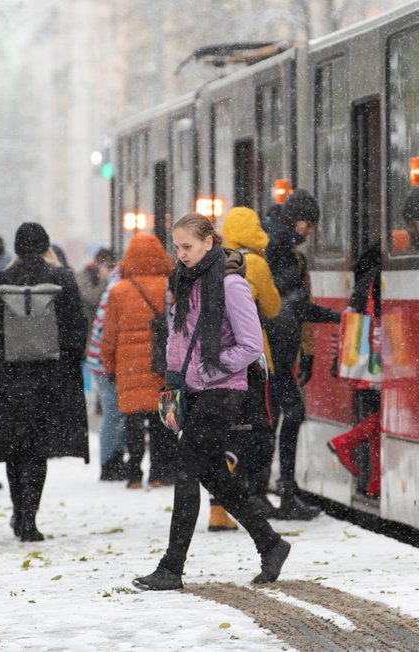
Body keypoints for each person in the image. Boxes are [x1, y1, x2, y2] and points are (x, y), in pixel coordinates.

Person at [133, 214, 291, 591]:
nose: (180, 254)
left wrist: (212, 368)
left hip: (224, 391)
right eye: (176, 247)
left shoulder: (231, 284)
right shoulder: (186, 281)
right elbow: (179, 336)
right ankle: (270, 543)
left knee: (186, 469)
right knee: (213, 475)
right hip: (193, 391)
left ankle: (172, 567)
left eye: (187, 246)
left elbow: (251, 345)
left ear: (209, 242)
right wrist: (175, 381)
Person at [0, 222, 89, 542]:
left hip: (8, 379)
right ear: (45, 247)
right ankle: (30, 520)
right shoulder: (63, 279)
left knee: (15, 450)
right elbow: (78, 328)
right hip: (49, 381)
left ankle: (18, 513)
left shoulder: (0, 281)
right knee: (37, 451)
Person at [262, 191, 340, 520]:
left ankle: (272, 489)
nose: (310, 231)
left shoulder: (282, 246)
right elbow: (288, 304)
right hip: (273, 352)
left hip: (277, 350)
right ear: (296, 220)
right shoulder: (278, 249)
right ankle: (281, 491)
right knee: (288, 414)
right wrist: (333, 316)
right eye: (308, 223)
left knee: (278, 417)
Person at [209, 206, 283, 529]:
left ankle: (218, 509)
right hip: (252, 359)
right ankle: (249, 494)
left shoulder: (213, 262)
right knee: (256, 429)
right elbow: (273, 306)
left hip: (217, 359)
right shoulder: (255, 263)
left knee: (225, 430)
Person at [101, 233, 175, 490]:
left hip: (129, 368)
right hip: (164, 366)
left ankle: (134, 474)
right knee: (164, 422)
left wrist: (109, 367)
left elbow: (108, 335)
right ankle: (160, 473)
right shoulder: (170, 287)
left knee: (133, 422)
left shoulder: (119, 291)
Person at [328, 244, 382, 497]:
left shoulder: (364, 283)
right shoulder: (377, 281)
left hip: (370, 360)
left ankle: (374, 483)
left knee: (378, 414)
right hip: (379, 359)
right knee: (382, 416)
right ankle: (346, 442)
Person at [86, 262, 128, 481]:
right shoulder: (117, 288)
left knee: (116, 412)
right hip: (104, 362)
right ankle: (108, 462)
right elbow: (106, 332)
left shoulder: (115, 284)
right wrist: (109, 362)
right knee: (114, 412)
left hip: (101, 359)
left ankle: (113, 459)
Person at [76, 247, 117, 326]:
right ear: (97, 264)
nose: (108, 270)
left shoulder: (114, 279)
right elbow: (92, 299)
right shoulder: (84, 275)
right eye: (105, 265)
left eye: (110, 267)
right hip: (88, 325)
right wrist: (104, 280)